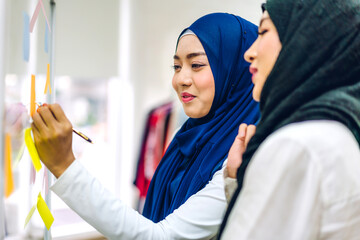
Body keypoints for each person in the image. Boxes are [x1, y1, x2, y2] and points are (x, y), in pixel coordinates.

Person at [31, 13, 260, 239]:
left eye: (196, 64)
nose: (180, 79)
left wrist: (65, 165)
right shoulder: (188, 140)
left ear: (235, 72)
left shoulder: (242, 156)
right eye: (177, 66)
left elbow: (161, 236)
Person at [219, 0, 360, 239]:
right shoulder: (340, 130)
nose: (249, 53)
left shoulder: (298, 145)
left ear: (309, 42)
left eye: (263, 32)